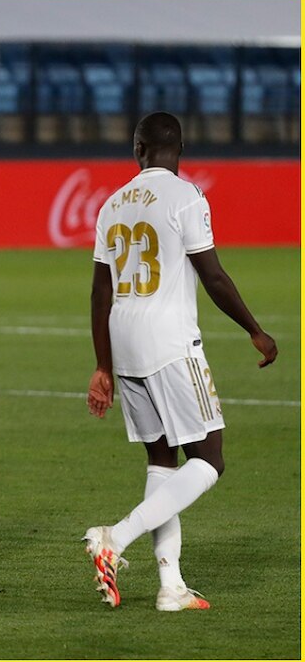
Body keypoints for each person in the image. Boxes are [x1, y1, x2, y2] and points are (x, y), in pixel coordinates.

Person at [83, 111, 277, 610]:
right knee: (209, 459)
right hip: (169, 341)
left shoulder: (111, 204)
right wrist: (254, 330)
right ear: (180, 149)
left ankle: (171, 587)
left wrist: (103, 365)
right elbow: (212, 276)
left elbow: (99, 293)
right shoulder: (186, 197)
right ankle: (116, 536)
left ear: (137, 148)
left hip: (124, 340)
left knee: (161, 460)